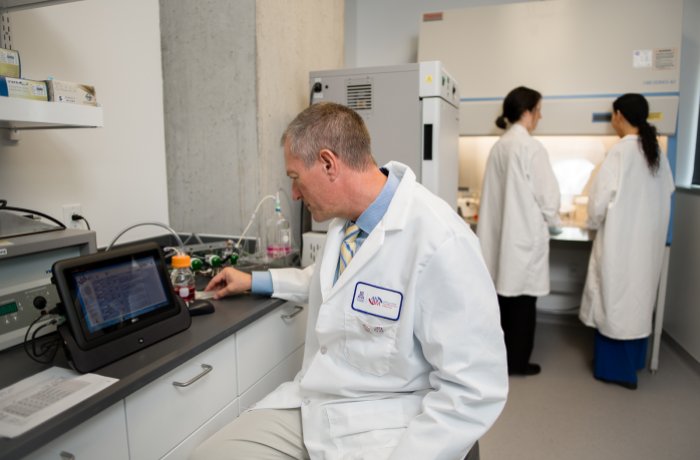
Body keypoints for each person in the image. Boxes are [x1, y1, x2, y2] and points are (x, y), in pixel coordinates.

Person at [193, 102, 508, 460]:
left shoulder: (440, 240)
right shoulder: (348, 222)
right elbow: (332, 283)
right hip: (315, 402)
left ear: (328, 163)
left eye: (295, 178)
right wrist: (254, 281)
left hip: (390, 421)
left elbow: (474, 388)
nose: (293, 194)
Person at [579, 93, 674, 390]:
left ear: (619, 115)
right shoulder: (656, 151)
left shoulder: (620, 152)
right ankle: (633, 363)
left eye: (612, 115)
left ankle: (614, 371)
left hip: (620, 244)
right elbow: (667, 193)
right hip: (647, 245)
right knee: (636, 302)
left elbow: (597, 203)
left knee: (614, 302)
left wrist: (591, 225)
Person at [476, 86, 561, 376]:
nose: (540, 115)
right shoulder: (530, 147)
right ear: (526, 112)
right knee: (523, 305)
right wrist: (554, 221)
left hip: (502, 239)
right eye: (538, 110)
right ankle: (518, 363)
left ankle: (500, 359)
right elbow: (549, 199)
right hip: (522, 239)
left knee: (503, 303)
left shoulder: (500, 146)